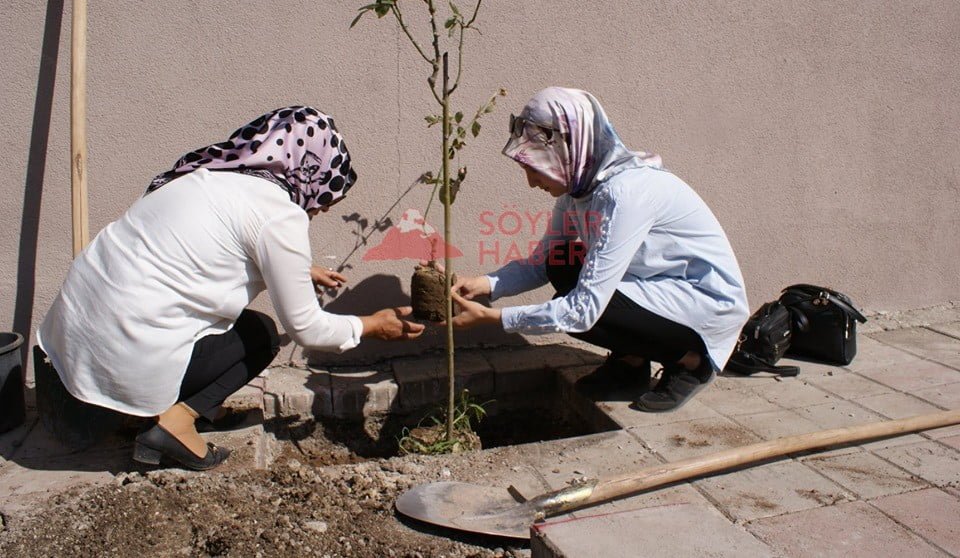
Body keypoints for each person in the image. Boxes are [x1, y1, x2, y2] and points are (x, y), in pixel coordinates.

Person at [38, 106, 424, 470]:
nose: (321, 208)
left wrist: (298, 269)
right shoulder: (278, 215)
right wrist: (373, 326)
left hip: (66, 353)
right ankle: (175, 423)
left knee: (216, 320)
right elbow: (307, 328)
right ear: (310, 170)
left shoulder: (208, 177)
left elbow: (190, 251)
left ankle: (190, 404)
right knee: (260, 334)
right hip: (118, 364)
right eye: (325, 196)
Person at [449, 87, 749, 412]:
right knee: (561, 265)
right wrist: (483, 284)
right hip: (656, 286)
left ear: (566, 150)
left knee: (582, 309)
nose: (531, 182)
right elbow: (541, 263)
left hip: (704, 302)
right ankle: (631, 363)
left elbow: (583, 310)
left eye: (534, 168)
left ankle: (692, 362)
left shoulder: (625, 194)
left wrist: (493, 318)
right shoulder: (578, 191)